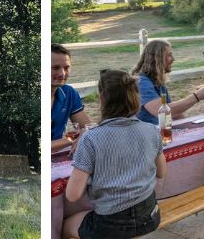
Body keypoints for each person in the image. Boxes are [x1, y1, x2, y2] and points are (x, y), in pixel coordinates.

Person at [63, 70, 166, 239]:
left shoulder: (90, 138)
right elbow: (162, 173)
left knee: (66, 226)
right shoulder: (151, 130)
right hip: (149, 218)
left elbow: (72, 195)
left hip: (110, 226)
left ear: (102, 98)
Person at [132, 40, 204, 125]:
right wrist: (197, 96)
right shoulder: (141, 82)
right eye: (169, 55)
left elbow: (174, 114)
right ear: (157, 58)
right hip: (147, 135)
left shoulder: (157, 80)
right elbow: (161, 111)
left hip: (160, 131)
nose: (173, 59)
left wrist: (192, 127)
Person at [52, 44, 91, 153]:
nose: (62, 74)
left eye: (66, 68)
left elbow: (87, 129)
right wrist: (71, 139)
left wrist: (82, 135)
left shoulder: (68, 93)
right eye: (55, 68)